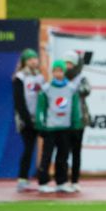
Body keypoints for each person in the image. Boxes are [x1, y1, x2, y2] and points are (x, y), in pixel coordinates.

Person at [36, 60, 82, 194]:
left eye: (60, 71)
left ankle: (61, 181)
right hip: (50, 128)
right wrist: (41, 125)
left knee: (63, 156)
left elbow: (75, 108)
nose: (58, 73)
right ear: (52, 72)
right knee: (47, 156)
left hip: (65, 128)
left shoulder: (71, 88)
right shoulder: (46, 88)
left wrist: (75, 124)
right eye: (55, 71)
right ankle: (43, 182)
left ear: (64, 72)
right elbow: (41, 108)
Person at [12, 48, 45, 192]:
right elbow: (19, 102)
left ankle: (43, 179)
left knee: (46, 148)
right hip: (26, 119)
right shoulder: (19, 77)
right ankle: (22, 179)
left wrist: (42, 117)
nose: (34, 61)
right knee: (29, 148)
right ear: (25, 61)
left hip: (39, 118)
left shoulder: (40, 77)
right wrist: (27, 119)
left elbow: (43, 98)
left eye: (35, 58)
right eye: (30, 59)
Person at [63, 50, 91, 193]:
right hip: (63, 121)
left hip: (79, 121)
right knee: (63, 152)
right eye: (66, 63)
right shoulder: (61, 77)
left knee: (76, 152)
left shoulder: (81, 78)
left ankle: (75, 180)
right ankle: (61, 180)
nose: (68, 66)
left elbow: (87, 90)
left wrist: (74, 88)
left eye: (71, 63)